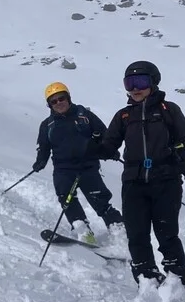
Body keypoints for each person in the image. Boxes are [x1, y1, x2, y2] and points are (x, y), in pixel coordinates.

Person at [95, 61, 185, 289]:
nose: (135, 88)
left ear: (153, 82)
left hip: (166, 180)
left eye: (140, 82)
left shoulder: (168, 110)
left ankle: (179, 282)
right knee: (136, 234)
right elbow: (109, 144)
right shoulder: (124, 116)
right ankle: (147, 279)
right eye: (129, 83)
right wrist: (96, 148)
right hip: (134, 183)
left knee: (167, 234)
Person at [32, 81, 124, 243]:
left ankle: (119, 230)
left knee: (100, 200)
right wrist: (40, 161)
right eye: (53, 101)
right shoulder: (47, 125)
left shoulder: (85, 116)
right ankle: (83, 231)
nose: (58, 103)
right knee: (66, 199)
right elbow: (44, 147)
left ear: (68, 98)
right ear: (49, 105)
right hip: (63, 170)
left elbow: (106, 136)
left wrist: (108, 151)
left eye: (61, 98)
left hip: (87, 167)